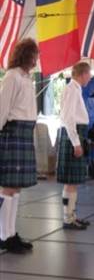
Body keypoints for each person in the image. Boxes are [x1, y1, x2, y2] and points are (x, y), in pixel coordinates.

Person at [0, 38, 39, 253]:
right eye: (34, 55)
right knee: (8, 187)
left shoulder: (27, 79)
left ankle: (11, 233)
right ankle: (4, 235)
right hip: (12, 133)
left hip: (23, 134)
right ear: (25, 54)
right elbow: (2, 109)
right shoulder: (12, 76)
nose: (36, 60)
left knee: (15, 189)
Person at [57, 62, 91, 230]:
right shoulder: (71, 89)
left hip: (76, 134)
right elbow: (68, 118)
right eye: (89, 74)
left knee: (72, 182)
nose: (90, 78)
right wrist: (76, 143)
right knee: (71, 181)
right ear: (83, 74)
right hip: (73, 135)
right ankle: (68, 219)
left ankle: (71, 216)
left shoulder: (75, 89)